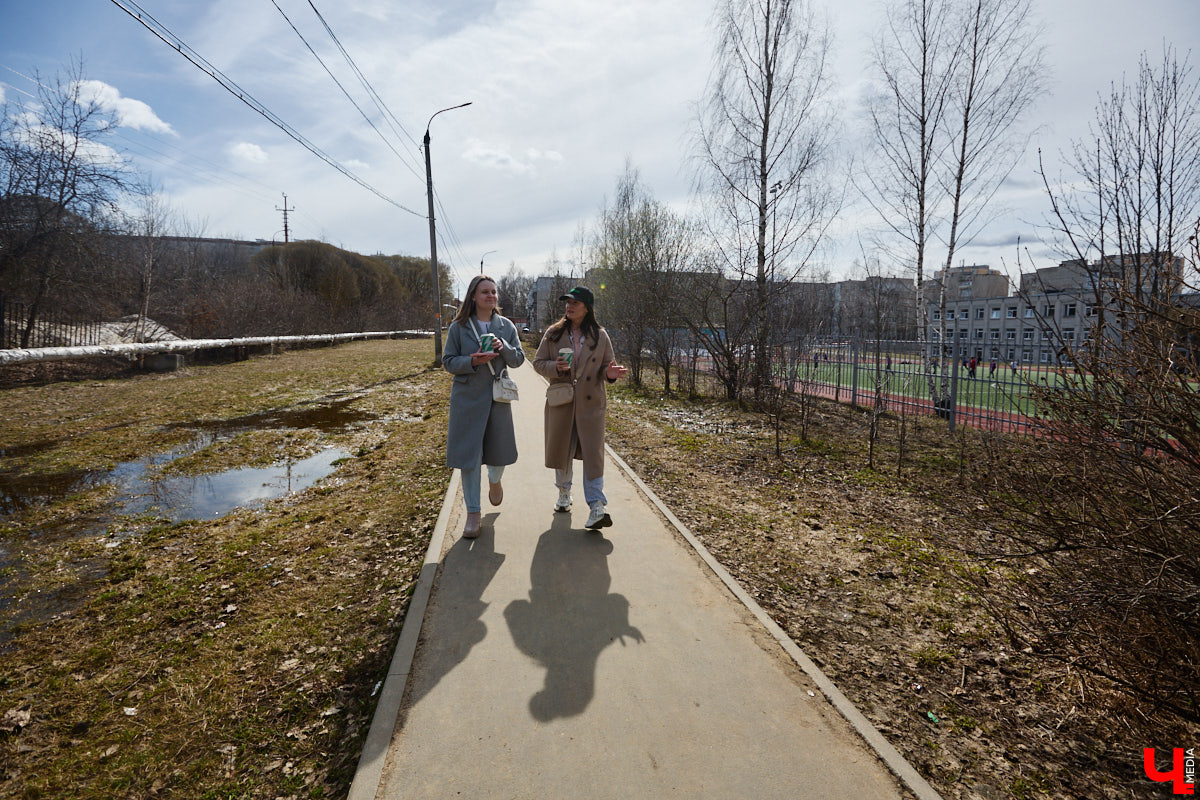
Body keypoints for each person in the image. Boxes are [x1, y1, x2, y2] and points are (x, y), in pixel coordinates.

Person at [533, 286, 627, 530]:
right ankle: (564, 494)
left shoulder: (600, 336)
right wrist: (556, 367)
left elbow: (608, 367)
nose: (569, 306)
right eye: (567, 302)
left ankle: (597, 506)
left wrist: (610, 373)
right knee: (562, 450)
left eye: (575, 302)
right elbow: (538, 363)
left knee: (593, 454)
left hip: (591, 404)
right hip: (561, 401)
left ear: (587, 307)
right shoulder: (553, 334)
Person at [442, 274, 526, 538]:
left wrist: (504, 347)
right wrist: (472, 361)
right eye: (485, 292)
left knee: (497, 453)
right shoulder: (459, 327)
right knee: (470, 458)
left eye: (494, 292)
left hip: (497, 400)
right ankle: (473, 514)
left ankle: (494, 480)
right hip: (467, 400)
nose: (491, 296)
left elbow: (519, 360)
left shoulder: (506, 326)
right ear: (474, 297)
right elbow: (448, 362)